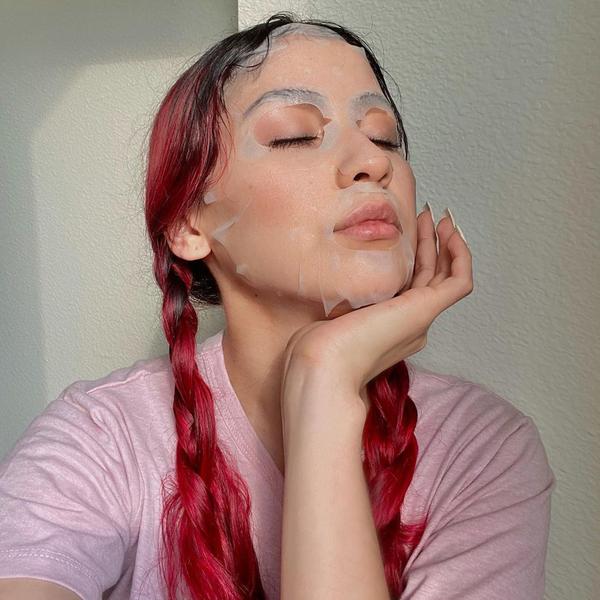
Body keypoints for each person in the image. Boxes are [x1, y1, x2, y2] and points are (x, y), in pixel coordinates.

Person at [0, 12, 555, 600]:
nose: (373, 163)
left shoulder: (480, 450)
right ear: (188, 224)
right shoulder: (102, 437)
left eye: (384, 137)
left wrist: (324, 378)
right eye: (295, 135)